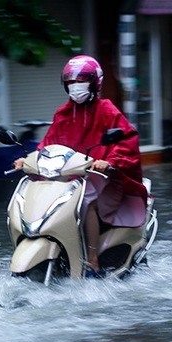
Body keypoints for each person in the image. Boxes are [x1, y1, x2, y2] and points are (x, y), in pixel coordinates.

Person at [13, 55, 147, 277]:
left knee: (86, 204)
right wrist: (28, 160)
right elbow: (47, 144)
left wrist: (109, 161)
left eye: (81, 81)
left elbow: (127, 139)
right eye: (71, 83)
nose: (76, 87)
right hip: (67, 179)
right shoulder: (63, 114)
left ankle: (92, 262)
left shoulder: (107, 110)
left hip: (103, 179)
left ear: (95, 83)